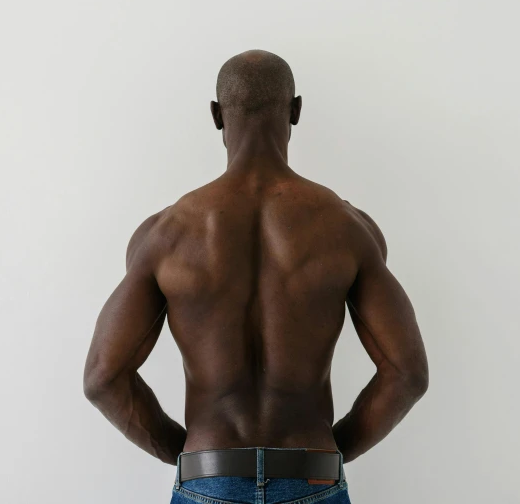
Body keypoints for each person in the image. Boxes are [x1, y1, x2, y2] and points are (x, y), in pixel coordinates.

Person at [83, 49, 429, 504]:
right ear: (296, 110)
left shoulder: (166, 235)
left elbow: (103, 378)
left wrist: (190, 457)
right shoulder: (346, 229)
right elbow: (407, 373)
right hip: (313, 475)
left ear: (216, 116)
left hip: (209, 475)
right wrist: (325, 454)